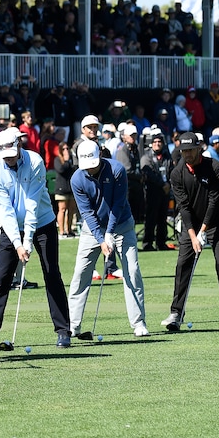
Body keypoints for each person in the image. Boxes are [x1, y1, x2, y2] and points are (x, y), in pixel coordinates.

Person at [0, 128, 72, 349]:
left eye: (13, 154)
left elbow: (32, 204)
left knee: (52, 273)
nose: (11, 159)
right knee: (2, 278)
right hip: (11, 228)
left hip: (42, 223)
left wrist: (28, 240)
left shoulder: (35, 161)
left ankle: (63, 330)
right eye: (6, 156)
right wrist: (17, 242)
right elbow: (4, 211)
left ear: (19, 145)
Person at [67, 139, 150, 339]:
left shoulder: (117, 170)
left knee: (132, 270)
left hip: (122, 225)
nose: (91, 170)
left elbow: (118, 204)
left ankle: (138, 323)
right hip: (92, 229)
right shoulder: (77, 179)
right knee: (81, 273)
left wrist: (110, 233)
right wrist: (101, 238)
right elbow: (87, 213)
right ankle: (72, 325)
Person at [163, 132, 219, 328]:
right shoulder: (177, 173)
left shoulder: (214, 167)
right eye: (183, 151)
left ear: (199, 148)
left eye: (190, 150)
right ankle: (176, 313)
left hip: (216, 222)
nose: (187, 154)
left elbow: (214, 200)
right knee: (183, 263)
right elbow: (184, 207)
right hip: (192, 225)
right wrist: (194, 234)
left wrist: (204, 231)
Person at [140, 131, 173, 251]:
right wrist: (162, 184)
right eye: (155, 142)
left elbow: (171, 171)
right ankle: (147, 243)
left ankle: (161, 242)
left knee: (162, 218)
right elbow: (148, 173)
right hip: (152, 191)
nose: (157, 144)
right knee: (151, 218)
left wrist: (168, 184)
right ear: (151, 144)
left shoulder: (167, 156)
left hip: (165, 191)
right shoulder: (146, 157)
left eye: (159, 142)